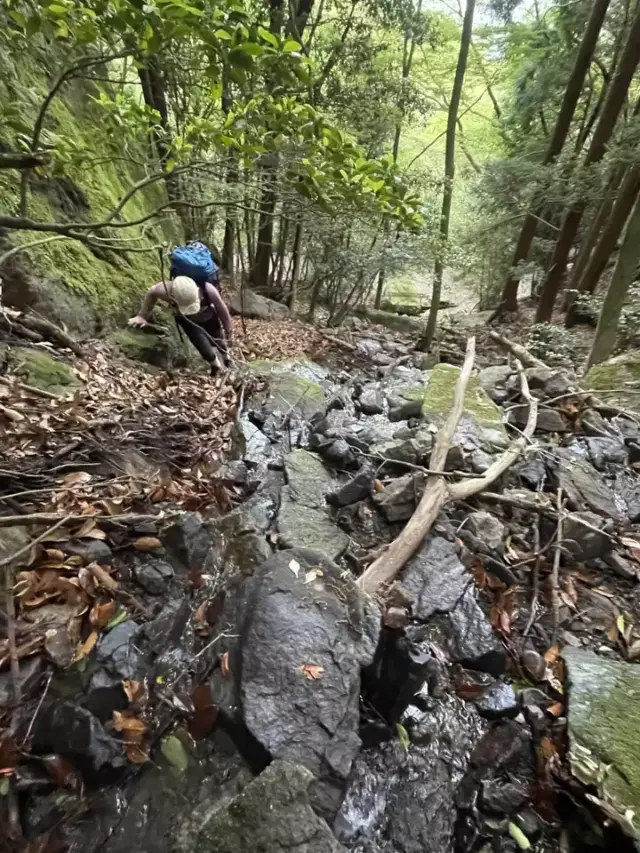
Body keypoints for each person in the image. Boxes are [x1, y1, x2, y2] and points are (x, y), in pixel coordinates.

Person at [128, 275, 233, 374]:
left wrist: (229, 332)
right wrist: (142, 316)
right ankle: (216, 367)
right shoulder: (165, 290)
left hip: (208, 316)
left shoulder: (208, 289)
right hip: (186, 320)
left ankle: (227, 358)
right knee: (202, 345)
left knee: (217, 339)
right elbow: (152, 292)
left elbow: (222, 310)